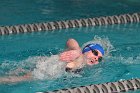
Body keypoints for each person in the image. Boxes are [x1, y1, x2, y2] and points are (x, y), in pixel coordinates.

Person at [0, 38, 104, 83]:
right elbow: (71, 41)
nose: (96, 58)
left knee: (14, 71)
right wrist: (77, 49)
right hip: (45, 69)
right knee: (13, 80)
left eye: (99, 58)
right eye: (95, 53)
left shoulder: (83, 66)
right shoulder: (77, 54)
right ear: (86, 50)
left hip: (44, 64)